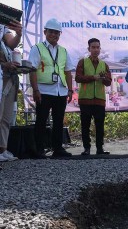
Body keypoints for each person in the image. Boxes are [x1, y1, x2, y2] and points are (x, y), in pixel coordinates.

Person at [28, 18, 74, 158]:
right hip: (43, 90)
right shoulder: (37, 48)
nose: (54, 35)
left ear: (59, 34)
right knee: (41, 120)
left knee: (58, 120)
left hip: (60, 90)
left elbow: (67, 72)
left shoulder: (64, 51)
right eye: (51, 32)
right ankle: (39, 150)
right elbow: (32, 70)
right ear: (45, 32)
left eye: (57, 32)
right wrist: (35, 90)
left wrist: (70, 90)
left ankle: (57, 148)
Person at [75, 38, 111, 155]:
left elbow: (109, 82)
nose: (95, 50)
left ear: (100, 49)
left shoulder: (104, 64)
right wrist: (93, 77)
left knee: (99, 126)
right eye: (93, 47)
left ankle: (100, 149)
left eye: (97, 47)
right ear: (89, 49)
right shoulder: (82, 62)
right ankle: (87, 148)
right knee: (85, 125)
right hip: (85, 99)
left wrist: (103, 78)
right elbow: (78, 78)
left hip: (99, 100)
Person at [0, 20, 23, 162]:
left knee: (6, 117)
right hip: (2, 79)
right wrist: (4, 64)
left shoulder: (2, 28)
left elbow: (11, 43)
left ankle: (2, 148)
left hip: (9, 80)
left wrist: (19, 35)